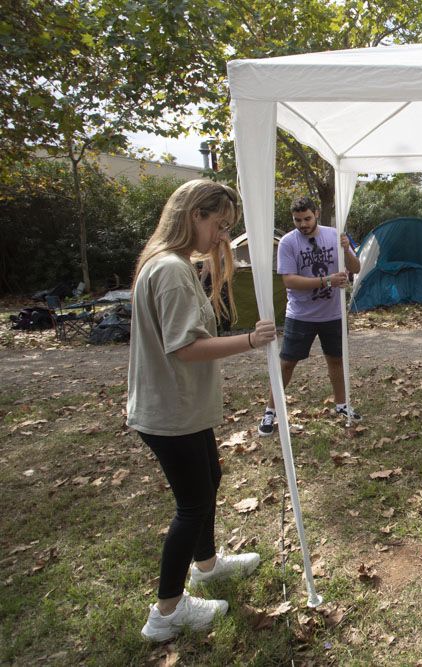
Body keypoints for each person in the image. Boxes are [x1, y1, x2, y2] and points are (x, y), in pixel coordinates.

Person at [128, 180, 277, 641]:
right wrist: (252, 340)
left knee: (208, 480)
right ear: (195, 214)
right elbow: (186, 348)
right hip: (170, 411)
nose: (223, 238)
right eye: (220, 225)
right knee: (191, 505)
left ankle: (207, 566)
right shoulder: (170, 269)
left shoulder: (170, 265)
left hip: (180, 408)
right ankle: (166, 611)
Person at [259, 196, 362, 435]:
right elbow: (289, 280)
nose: (303, 224)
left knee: (336, 359)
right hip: (300, 314)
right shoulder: (288, 242)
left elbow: (355, 268)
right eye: (298, 220)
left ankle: (341, 405)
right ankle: (270, 412)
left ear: (316, 213)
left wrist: (346, 250)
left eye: (307, 218)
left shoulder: (334, 235)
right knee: (286, 364)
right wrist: (326, 280)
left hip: (333, 314)